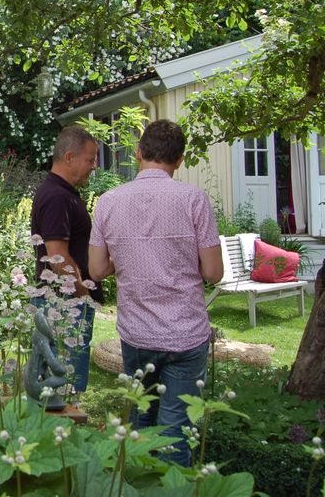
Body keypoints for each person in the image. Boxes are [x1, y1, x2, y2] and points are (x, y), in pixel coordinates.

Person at [88, 119, 222, 467]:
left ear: (137, 153)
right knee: (176, 432)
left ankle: (137, 484)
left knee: (141, 423)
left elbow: (97, 270)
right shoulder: (194, 200)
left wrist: (130, 253)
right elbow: (213, 272)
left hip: (136, 334)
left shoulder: (108, 202)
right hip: (185, 335)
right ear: (179, 160)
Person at [30, 125, 102, 396]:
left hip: (62, 300)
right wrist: (83, 291)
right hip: (63, 302)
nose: (94, 166)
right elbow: (58, 257)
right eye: (90, 159)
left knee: (57, 384)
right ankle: (64, 433)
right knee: (64, 386)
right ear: (69, 157)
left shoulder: (63, 192)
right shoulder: (57, 196)